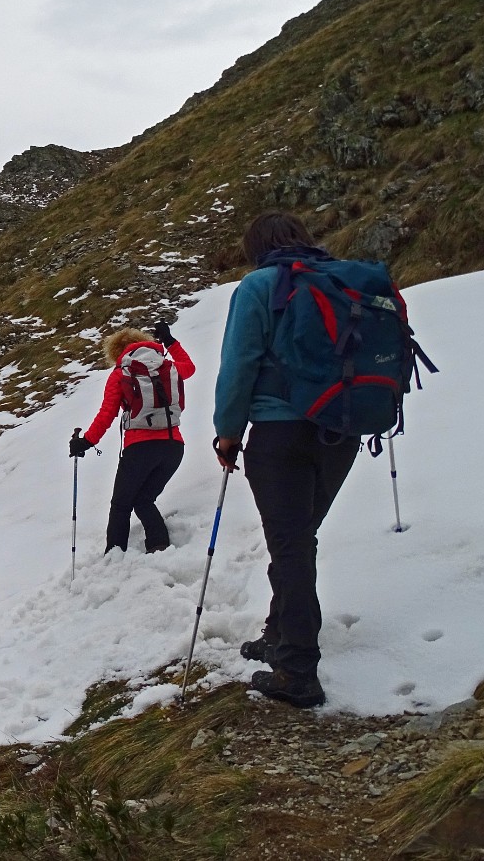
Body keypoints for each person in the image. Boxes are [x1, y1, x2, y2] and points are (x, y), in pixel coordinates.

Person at [213, 210, 359, 709]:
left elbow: (239, 363)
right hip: (342, 433)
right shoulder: (341, 281)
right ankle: (279, 633)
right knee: (298, 539)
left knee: (291, 546)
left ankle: (297, 670)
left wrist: (227, 432)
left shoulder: (258, 287)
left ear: (257, 246)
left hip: (280, 434)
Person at [70, 322, 194, 554]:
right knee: (144, 499)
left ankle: (114, 556)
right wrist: (170, 341)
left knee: (121, 504)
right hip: (174, 446)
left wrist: (85, 442)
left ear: (117, 353)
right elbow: (190, 367)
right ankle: (159, 545)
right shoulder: (168, 366)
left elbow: (106, 414)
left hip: (140, 449)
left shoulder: (121, 373)